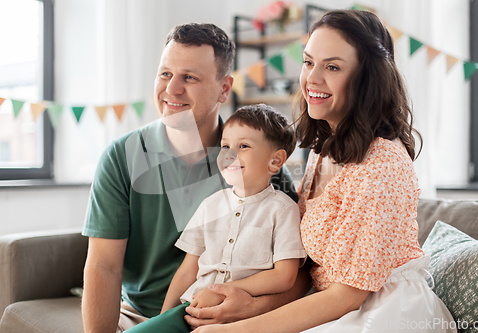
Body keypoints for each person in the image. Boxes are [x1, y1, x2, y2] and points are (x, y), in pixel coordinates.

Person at [189, 10, 456, 333]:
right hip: (329, 303)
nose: (311, 78)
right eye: (308, 62)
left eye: (332, 66)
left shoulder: (381, 164)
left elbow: (348, 296)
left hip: (380, 310)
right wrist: (246, 302)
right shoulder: (325, 147)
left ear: (366, 79)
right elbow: (309, 267)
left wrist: (234, 329)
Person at [81, 23, 309, 333]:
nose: (172, 89)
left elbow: (300, 268)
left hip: (231, 315)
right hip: (140, 313)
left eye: (189, 77)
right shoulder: (121, 156)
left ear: (224, 88)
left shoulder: (255, 159)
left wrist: (254, 307)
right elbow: (104, 267)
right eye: (165, 74)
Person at [126, 104, 308, 332]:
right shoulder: (209, 205)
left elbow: (285, 276)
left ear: (275, 161)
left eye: (243, 146)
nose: (230, 154)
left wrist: (222, 292)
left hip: (245, 318)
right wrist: (162, 319)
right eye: (225, 146)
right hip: (193, 310)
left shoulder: (283, 210)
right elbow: (186, 270)